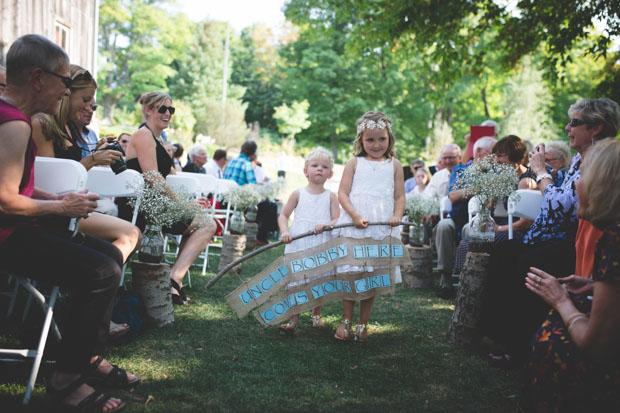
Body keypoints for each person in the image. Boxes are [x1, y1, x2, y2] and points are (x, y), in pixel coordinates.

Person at [0, 33, 135, 412]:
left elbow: (13, 186)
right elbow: (6, 203)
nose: (65, 91)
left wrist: (55, 197)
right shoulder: (15, 125)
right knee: (102, 271)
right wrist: (61, 210)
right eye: (64, 81)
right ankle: (66, 379)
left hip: (18, 229)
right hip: (9, 237)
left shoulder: (14, 119)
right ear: (38, 78)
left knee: (109, 255)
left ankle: (86, 358)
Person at [481, 98, 620, 365]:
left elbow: (564, 207)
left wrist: (541, 172)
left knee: (528, 265)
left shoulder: (602, 160)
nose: (568, 128)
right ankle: (496, 332)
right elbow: (562, 197)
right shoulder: (580, 158)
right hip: (558, 235)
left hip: (572, 238)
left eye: (575, 122)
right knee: (503, 248)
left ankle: (518, 345)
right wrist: (550, 175)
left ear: (596, 128)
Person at [521, 139, 620, 411]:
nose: (576, 184)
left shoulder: (614, 240)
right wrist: (591, 286)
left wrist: (560, 300)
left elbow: (596, 346)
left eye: (584, 176)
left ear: (606, 186)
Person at [31, 64, 140, 264]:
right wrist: (92, 160)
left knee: (132, 234)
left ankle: (99, 278)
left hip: (72, 205)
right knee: (130, 234)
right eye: (85, 100)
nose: (89, 107)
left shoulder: (70, 127)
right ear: (66, 94)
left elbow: (74, 169)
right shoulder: (43, 123)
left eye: (92, 103)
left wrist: (96, 154)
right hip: (55, 210)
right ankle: (99, 278)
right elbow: (54, 182)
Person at [119, 91, 216, 304]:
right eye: (162, 109)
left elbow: (170, 175)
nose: (168, 114)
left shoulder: (158, 138)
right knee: (207, 225)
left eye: (170, 110)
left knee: (206, 221)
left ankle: (173, 280)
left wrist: (192, 200)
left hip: (154, 204)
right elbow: (152, 177)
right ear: (148, 110)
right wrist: (183, 204)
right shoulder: (143, 135)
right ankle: (173, 280)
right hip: (141, 207)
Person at [334, 111, 405, 341]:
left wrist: (396, 215)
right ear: (361, 140)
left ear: (389, 138)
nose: (376, 145)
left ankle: (363, 324)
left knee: (372, 275)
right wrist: (354, 214)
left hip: (380, 225)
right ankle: (346, 321)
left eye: (381, 139)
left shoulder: (395, 165)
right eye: (370, 140)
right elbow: (342, 193)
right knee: (352, 272)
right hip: (355, 224)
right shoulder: (354, 163)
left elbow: (399, 196)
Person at [277, 147, 340, 335]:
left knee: (318, 280)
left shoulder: (331, 196)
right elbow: (284, 215)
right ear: (306, 171)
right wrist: (285, 231)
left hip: (320, 243)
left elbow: (338, 219)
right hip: (298, 243)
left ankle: (316, 314)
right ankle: (293, 319)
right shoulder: (298, 193)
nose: (319, 169)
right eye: (315, 165)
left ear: (330, 173)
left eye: (324, 166)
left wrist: (327, 224)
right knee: (295, 281)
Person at [434, 136, 496, 299]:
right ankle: (446, 280)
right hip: (456, 218)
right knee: (443, 226)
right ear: (479, 152)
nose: (495, 157)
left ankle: (467, 280)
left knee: (473, 228)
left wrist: (467, 192)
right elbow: (453, 196)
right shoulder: (460, 170)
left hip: (477, 220)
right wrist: (480, 187)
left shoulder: (495, 172)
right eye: (492, 153)